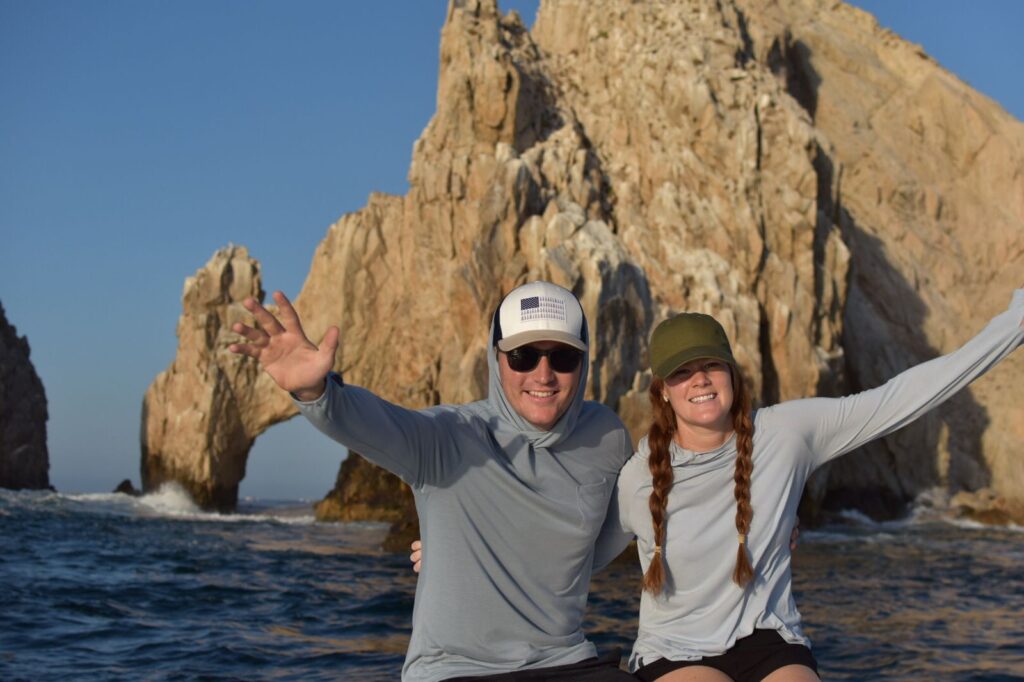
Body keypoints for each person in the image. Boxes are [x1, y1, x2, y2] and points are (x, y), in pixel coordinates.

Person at [590, 288, 1024, 682]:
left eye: (711, 365)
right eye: (682, 372)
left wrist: (1015, 324)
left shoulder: (787, 433)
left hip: (768, 637)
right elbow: (579, 560)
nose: (700, 379)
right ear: (663, 391)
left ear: (732, 374)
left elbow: (897, 399)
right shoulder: (639, 478)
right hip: (674, 651)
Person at [228, 281, 637, 682]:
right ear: (496, 359)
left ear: (584, 362)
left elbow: (613, 530)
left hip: (569, 661)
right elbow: (374, 423)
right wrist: (315, 391)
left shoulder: (607, 436)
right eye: (523, 356)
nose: (543, 375)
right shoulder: (447, 436)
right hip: (459, 669)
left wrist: (468, 555)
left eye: (563, 357)